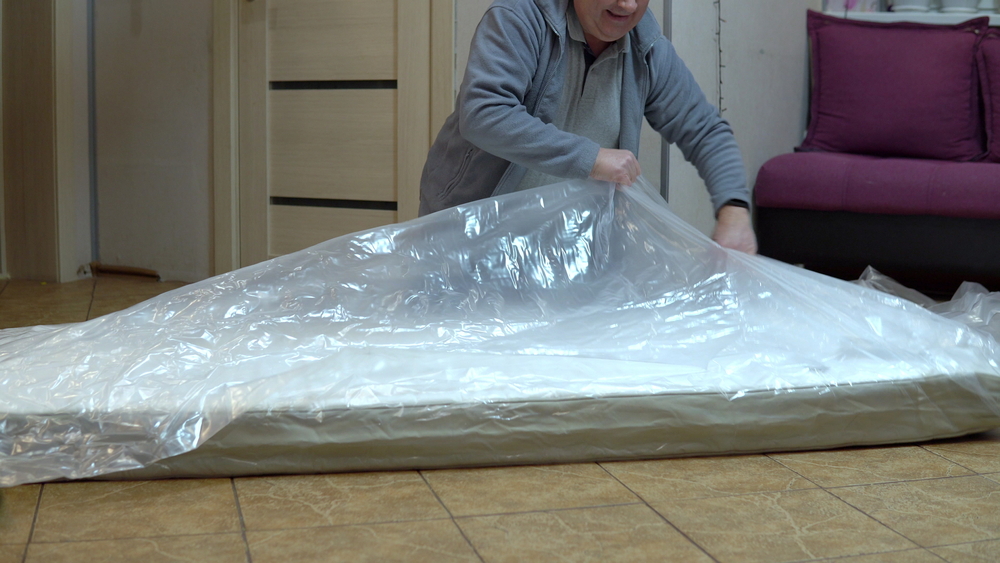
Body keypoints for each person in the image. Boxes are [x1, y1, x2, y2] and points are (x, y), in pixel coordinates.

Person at [419, 0, 758, 254]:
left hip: (566, 243)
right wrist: (591, 158)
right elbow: (484, 113)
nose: (627, 4)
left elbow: (705, 130)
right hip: (470, 236)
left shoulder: (647, 46)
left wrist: (734, 210)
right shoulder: (519, 15)